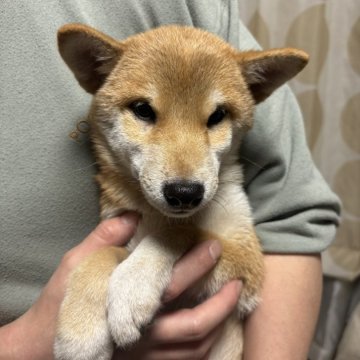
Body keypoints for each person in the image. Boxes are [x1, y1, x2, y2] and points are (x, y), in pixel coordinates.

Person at [0, 1, 340, 359]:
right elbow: (121, 255)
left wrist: (167, 245)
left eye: (216, 117)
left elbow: (249, 278)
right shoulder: (120, 186)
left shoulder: (225, 184)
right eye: (144, 111)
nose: (184, 179)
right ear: (93, 70)